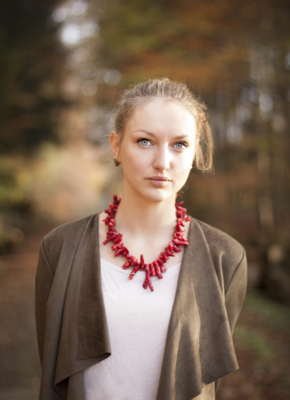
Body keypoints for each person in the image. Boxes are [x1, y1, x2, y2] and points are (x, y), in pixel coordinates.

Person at [35, 78, 247, 400]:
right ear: (116, 145)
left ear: (194, 153)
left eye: (180, 144)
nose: (163, 162)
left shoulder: (226, 258)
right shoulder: (59, 249)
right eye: (145, 141)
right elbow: (53, 370)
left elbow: (206, 377)